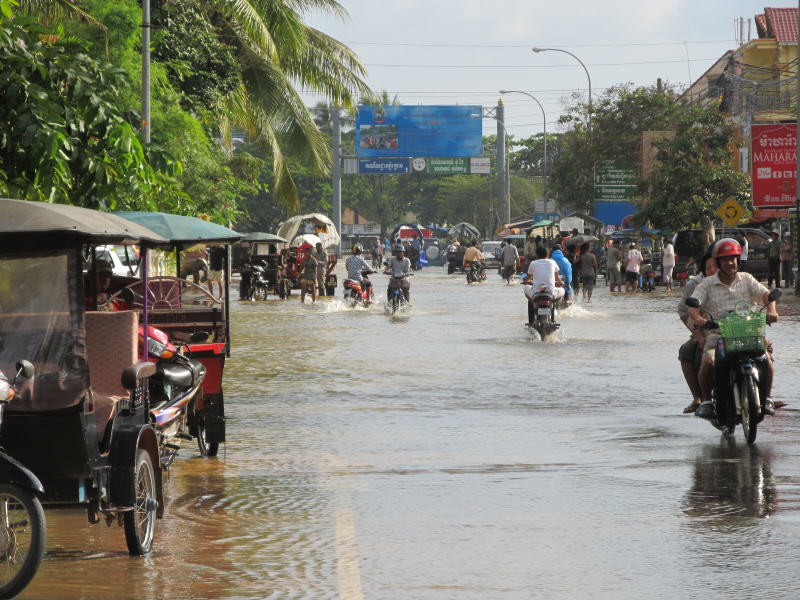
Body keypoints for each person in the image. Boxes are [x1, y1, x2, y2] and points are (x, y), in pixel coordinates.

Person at [686, 238, 779, 418]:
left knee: (766, 359)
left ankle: (767, 398)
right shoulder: (707, 284)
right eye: (725, 259)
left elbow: (766, 295)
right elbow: (693, 304)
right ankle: (706, 401)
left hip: (749, 332)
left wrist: (772, 310)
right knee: (708, 362)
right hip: (718, 335)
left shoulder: (747, 279)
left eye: (733, 258)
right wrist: (698, 318)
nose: (730, 263)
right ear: (718, 262)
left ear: (738, 259)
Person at [677, 248, 717, 413]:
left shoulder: (740, 279)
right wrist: (698, 334)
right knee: (687, 351)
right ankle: (698, 397)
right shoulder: (696, 285)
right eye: (709, 267)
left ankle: (765, 396)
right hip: (707, 330)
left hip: (736, 329)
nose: (714, 270)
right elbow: (685, 311)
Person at [523, 246, 564, 323]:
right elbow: (557, 277)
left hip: (536, 293)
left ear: (537, 255)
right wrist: (561, 283)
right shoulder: (552, 262)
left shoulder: (533, 263)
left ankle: (533, 303)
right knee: (562, 290)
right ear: (548, 254)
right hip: (551, 293)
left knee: (526, 288)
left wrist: (525, 281)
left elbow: (529, 277)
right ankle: (553, 304)